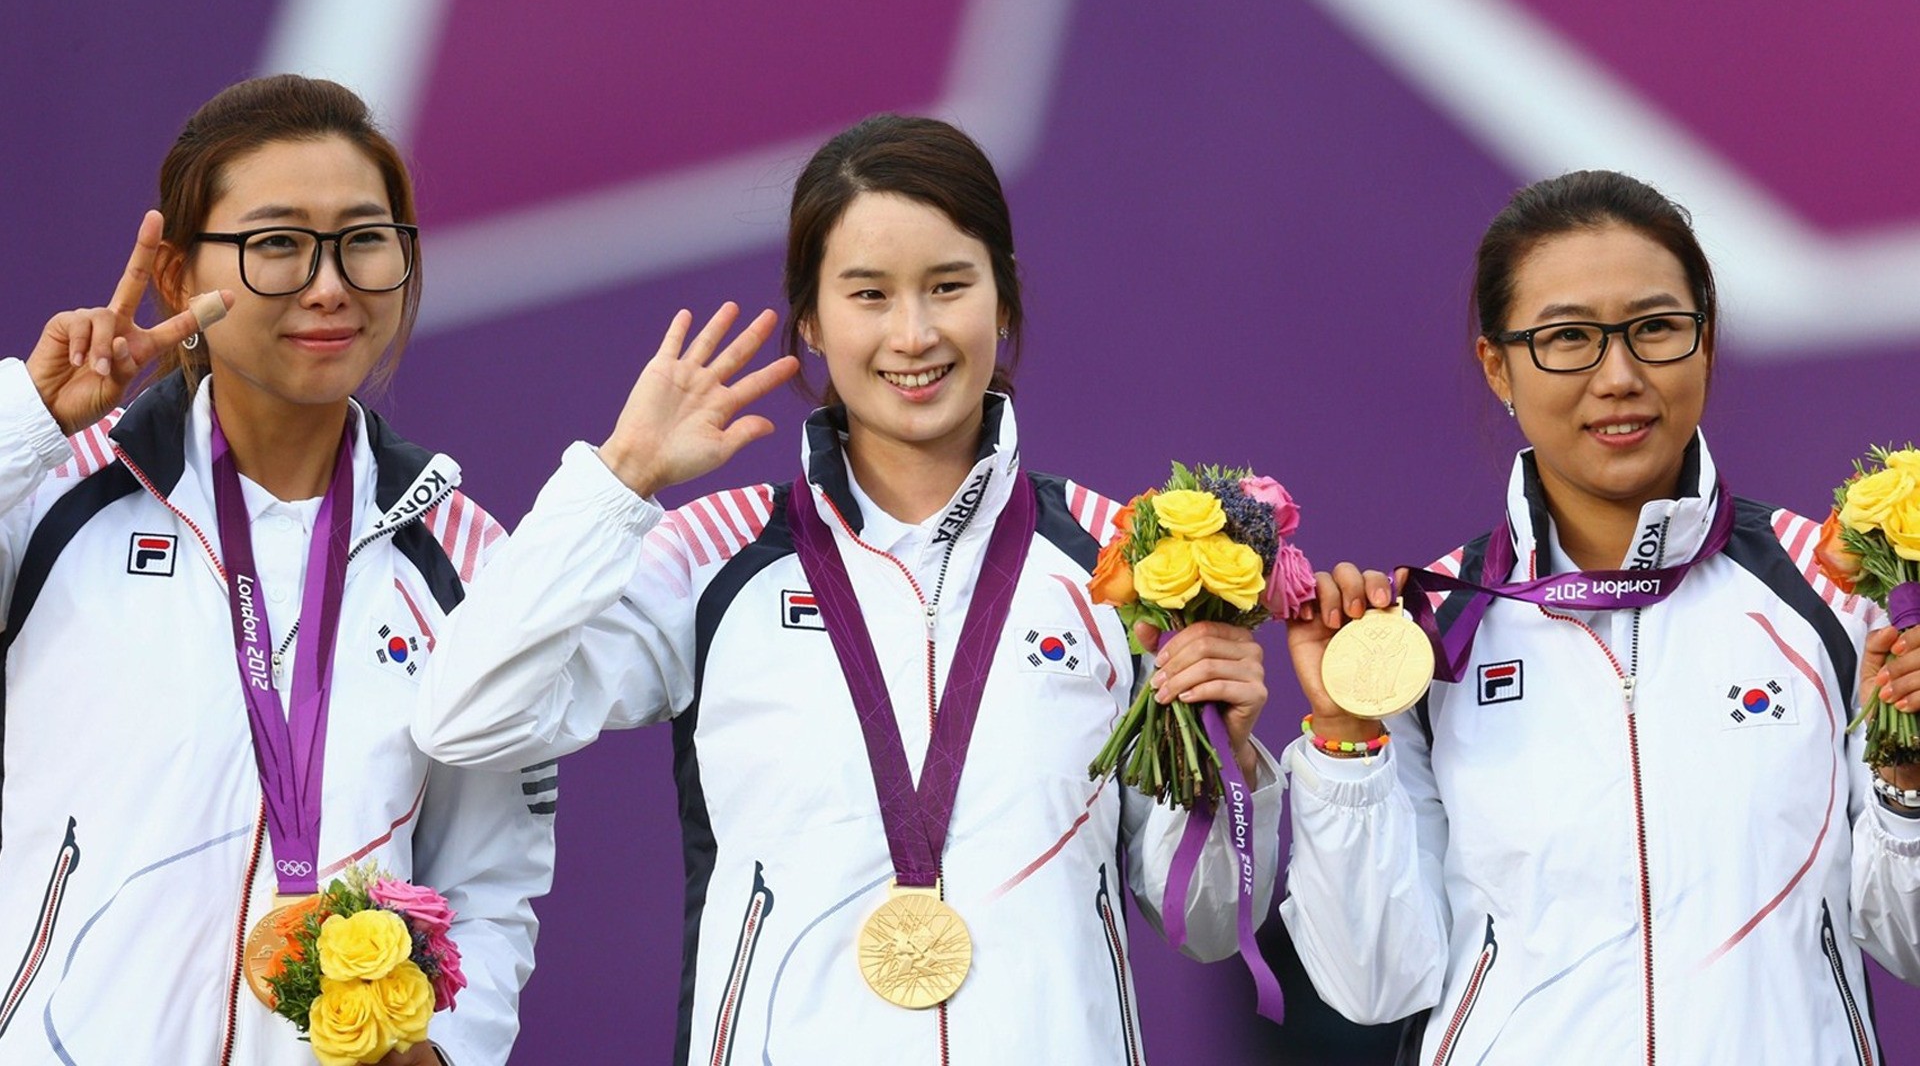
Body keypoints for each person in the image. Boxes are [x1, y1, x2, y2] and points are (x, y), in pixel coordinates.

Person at [414, 113, 1281, 1063]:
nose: (913, 334)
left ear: (1003, 300)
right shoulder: (716, 554)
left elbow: (1206, 924)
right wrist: (619, 478)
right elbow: (465, 717)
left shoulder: (1120, 562)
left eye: (948, 286)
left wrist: (1226, 764)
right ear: (812, 323)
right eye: (868, 294)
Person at [1281, 170, 1920, 1063]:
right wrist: (1346, 738)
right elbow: (1375, 983)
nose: (1618, 376)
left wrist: (1911, 775)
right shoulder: (1429, 632)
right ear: (1497, 366)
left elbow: (1910, 941)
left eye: (1656, 328)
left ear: (1705, 342)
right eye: (1568, 338)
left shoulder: (1841, 595)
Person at [0, 76, 553, 1065]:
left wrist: (448, 1045)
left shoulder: (469, 558)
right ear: (176, 272)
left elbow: (489, 877)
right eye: (277, 243)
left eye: (364, 239)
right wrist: (29, 425)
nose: (329, 283)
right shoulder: (51, 498)